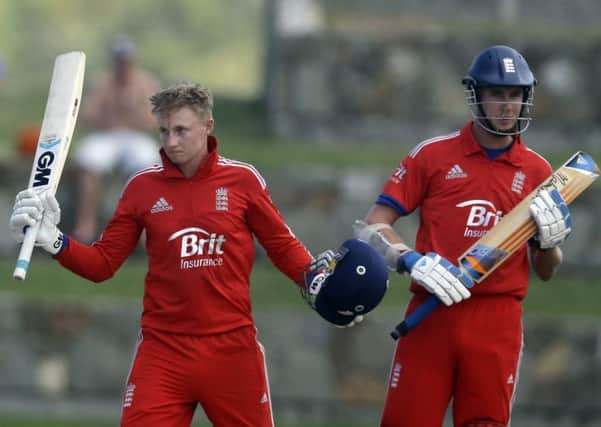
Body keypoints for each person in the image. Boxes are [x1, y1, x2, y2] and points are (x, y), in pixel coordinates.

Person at [9, 82, 388, 426]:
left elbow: (281, 245)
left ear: (208, 127)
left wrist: (314, 279)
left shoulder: (243, 180)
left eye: (181, 131)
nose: (171, 142)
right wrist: (54, 241)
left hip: (232, 350)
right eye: (164, 131)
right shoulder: (141, 188)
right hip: (163, 351)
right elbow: (102, 265)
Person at [355, 45, 572, 427]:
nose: (507, 106)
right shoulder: (433, 156)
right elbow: (371, 227)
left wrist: (552, 245)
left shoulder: (538, 171)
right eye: (497, 94)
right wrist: (410, 260)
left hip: (497, 319)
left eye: (515, 95)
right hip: (432, 312)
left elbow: (546, 270)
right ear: (476, 96)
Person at [72, 34, 160, 243]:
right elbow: (87, 117)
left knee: (147, 165)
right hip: (107, 135)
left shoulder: (146, 84)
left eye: (126, 60)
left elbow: (155, 123)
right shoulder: (102, 83)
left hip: (136, 137)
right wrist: (110, 110)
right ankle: (86, 223)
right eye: (119, 60)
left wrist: (132, 112)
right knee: (88, 161)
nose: (122, 65)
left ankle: (144, 228)